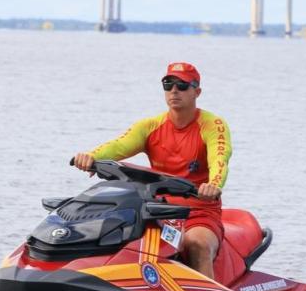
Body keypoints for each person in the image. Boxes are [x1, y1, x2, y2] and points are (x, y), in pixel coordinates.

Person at [73, 62, 232, 279]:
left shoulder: (212, 125)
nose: (174, 90)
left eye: (182, 85)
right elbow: (119, 145)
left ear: (197, 91)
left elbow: (220, 158)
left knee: (197, 244)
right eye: (168, 84)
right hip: (157, 211)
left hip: (199, 212)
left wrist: (213, 185)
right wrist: (91, 157)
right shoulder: (150, 126)